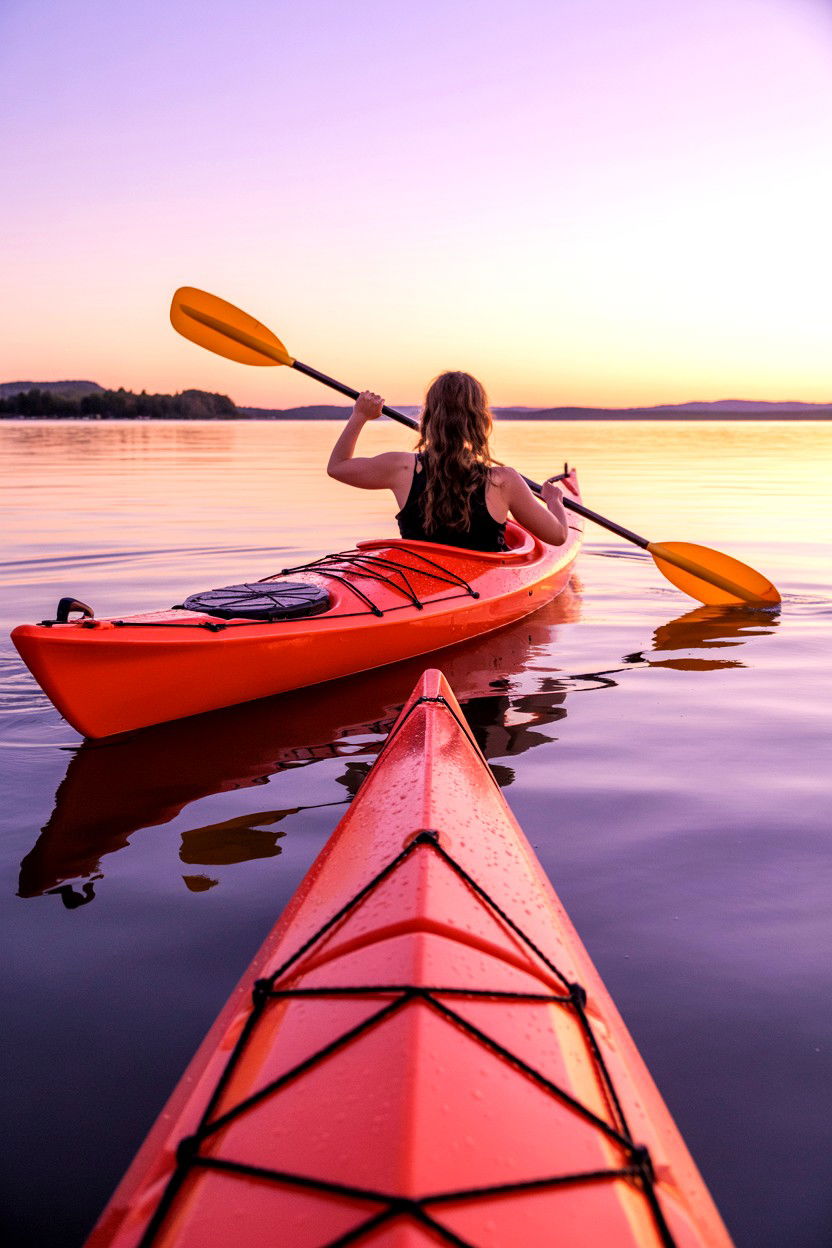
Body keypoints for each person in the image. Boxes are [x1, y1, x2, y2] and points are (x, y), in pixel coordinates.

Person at [327, 371, 569, 552]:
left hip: (419, 586)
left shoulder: (400, 467)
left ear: (430, 415)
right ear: (480, 419)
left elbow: (337, 467)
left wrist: (359, 416)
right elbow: (558, 536)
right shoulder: (503, 480)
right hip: (481, 590)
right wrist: (554, 501)